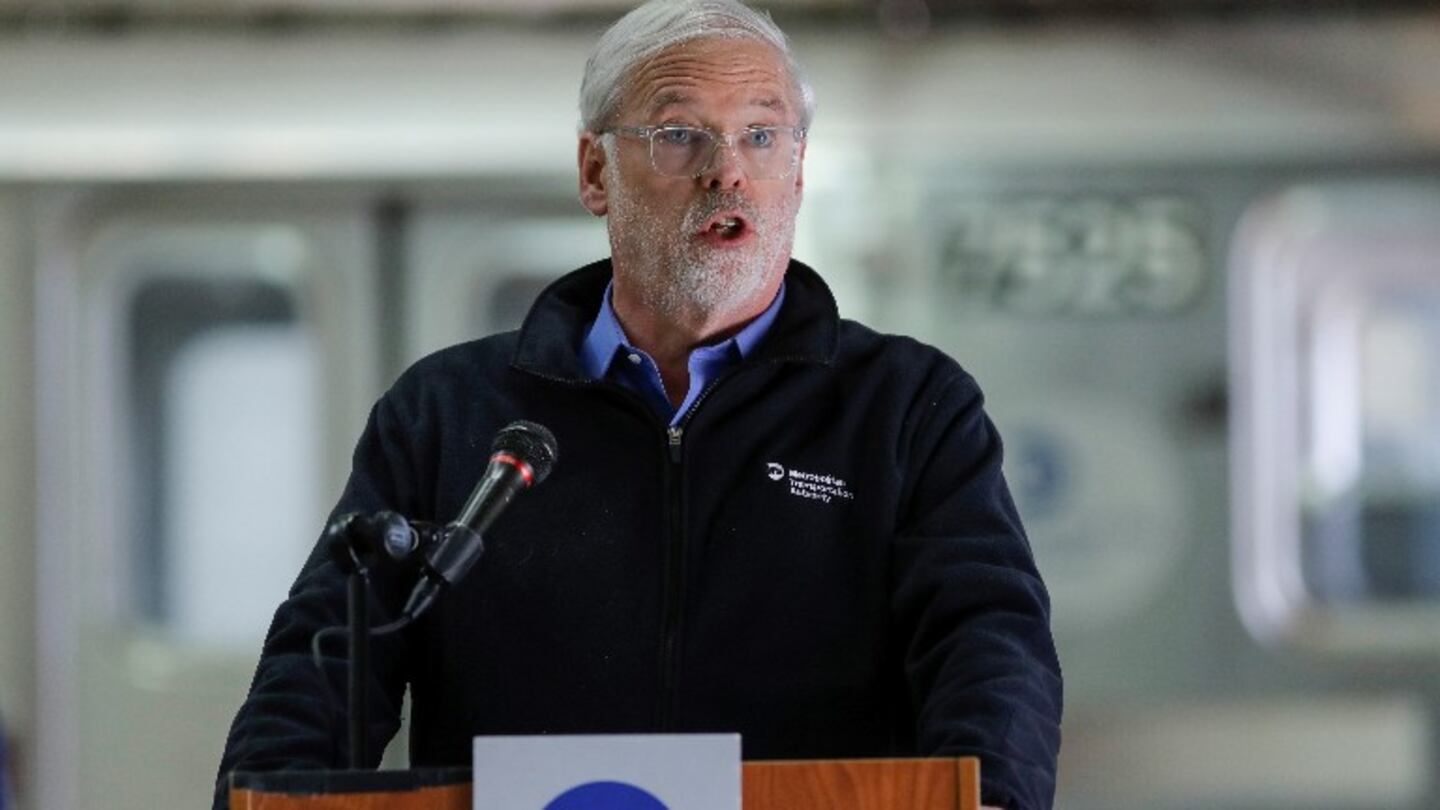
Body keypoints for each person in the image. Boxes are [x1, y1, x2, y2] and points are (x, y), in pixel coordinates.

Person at [214, 1, 1062, 808]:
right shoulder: (447, 412)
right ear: (595, 172)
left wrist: (989, 794)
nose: (727, 169)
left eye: (762, 136)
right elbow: (325, 659)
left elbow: (987, 641)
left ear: (798, 172)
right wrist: (270, 797)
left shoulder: (907, 405)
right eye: (680, 134)